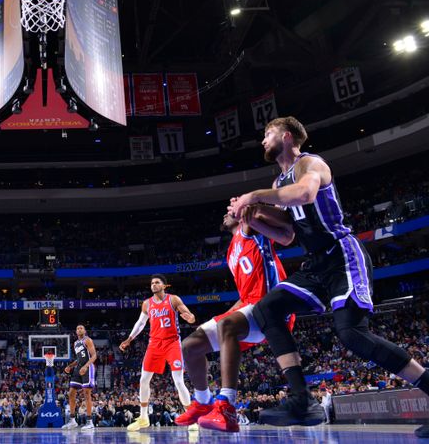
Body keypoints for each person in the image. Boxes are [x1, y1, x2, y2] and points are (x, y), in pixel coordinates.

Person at [229, 116, 429, 432]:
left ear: (285, 136)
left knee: (352, 334)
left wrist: (253, 197)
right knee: (268, 307)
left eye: (266, 135)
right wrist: (253, 216)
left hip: (342, 255)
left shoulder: (311, 164)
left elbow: (306, 195)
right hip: (316, 266)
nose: (262, 141)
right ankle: (301, 400)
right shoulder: (280, 183)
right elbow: (286, 235)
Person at [175, 208, 294, 432]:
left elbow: (266, 215)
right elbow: (244, 295)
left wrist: (246, 205)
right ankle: (203, 401)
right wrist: (223, 316)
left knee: (226, 325)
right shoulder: (231, 252)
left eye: (229, 211)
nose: (224, 214)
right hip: (249, 305)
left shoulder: (250, 228)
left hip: (273, 308)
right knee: (190, 346)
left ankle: (227, 406)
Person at [119, 275, 196, 431]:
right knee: (143, 379)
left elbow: (189, 315)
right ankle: (143, 417)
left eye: (157, 282)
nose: (153, 285)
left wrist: (191, 318)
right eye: (152, 283)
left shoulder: (173, 300)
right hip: (154, 344)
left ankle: (191, 418)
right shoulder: (147, 304)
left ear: (164, 285)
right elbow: (140, 323)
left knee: (179, 381)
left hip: (172, 343)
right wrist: (129, 339)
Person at [61, 325, 98, 431]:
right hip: (78, 368)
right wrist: (70, 366)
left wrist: (86, 366)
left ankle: (90, 422)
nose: (79, 329)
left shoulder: (88, 340)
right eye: (77, 328)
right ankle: (72, 421)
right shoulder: (76, 343)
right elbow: (78, 359)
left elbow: (94, 356)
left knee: (87, 393)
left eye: (81, 328)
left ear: (84, 331)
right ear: (76, 332)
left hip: (88, 367)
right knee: (71, 392)